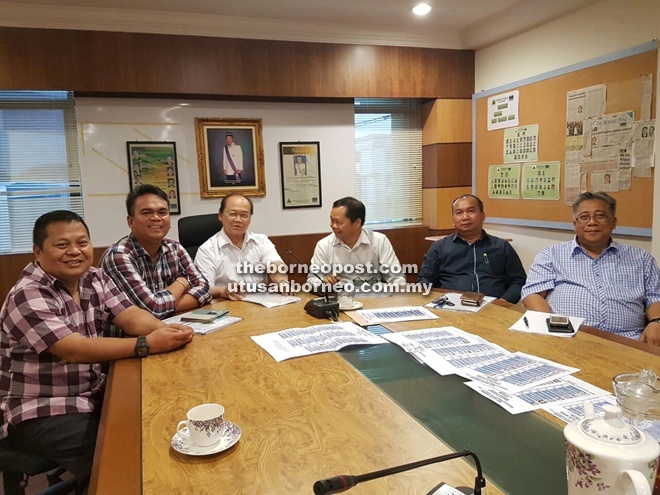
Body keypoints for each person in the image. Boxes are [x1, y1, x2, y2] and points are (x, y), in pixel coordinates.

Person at [0, 210, 193, 491]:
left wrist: (166, 332)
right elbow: (74, 349)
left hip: (90, 393)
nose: (74, 252)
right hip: (38, 410)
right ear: (38, 251)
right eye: (62, 245)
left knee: (157, 419)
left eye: (82, 243)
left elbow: (130, 315)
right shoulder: (27, 294)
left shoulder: (94, 278)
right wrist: (146, 344)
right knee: (129, 456)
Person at [521, 192, 660, 345]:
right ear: (575, 224)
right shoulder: (552, 254)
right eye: (584, 217)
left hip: (627, 340)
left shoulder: (641, 258)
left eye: (600, 216)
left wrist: (656, 322)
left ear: (614, 222)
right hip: (568, 338)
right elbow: (532, 293)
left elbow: (656, 297)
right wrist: (550, 327)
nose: (592, 222)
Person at [99, 185, 212, 336]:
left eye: (162, 212)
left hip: (169, 332)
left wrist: (162, 305)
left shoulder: (174, 248)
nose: (156, 218)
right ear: (130, 221)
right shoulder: (119, 256)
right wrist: (181, 283)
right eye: (147, 212)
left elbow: (204, 288)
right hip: (129, 347)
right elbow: (151, 310)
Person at [418, 194, 526, 304]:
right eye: (459, 213)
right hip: (450, 307)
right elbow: (425, 280)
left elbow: (518, 281)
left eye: (471, 211)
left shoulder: (502, 246)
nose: (465, 217)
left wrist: (504, 302)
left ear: (483, 216)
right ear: (453, 220)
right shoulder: (440, 247)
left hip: (494, 308)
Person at [195, 194, 291, 298]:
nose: (238, 220)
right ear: (220, 215)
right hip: (226, 305)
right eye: (232, 214)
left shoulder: (261, 241)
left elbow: (275, 264)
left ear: (250, 219)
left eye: (244, 215)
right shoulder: (207, 250)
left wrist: (282, 282)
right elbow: (203, 288)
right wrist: (223, 291)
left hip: (261, 305)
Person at [307, 197, 406, 290]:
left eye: (338, 222)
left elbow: (397, 278)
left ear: (357, 223)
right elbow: (311, 280)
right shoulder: (324, 245)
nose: (333, 226)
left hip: (375, 299)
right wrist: (322, 283)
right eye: (331, 221)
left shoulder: (379, 241)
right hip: (340, 302)